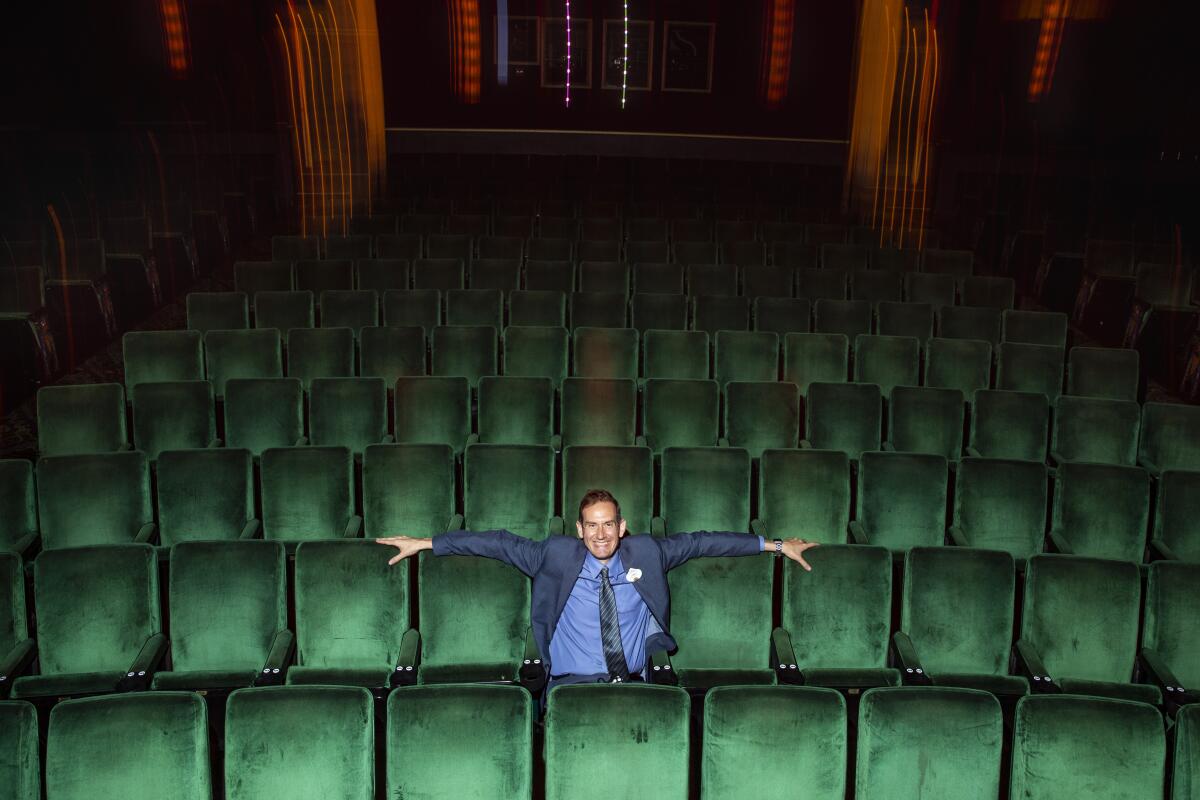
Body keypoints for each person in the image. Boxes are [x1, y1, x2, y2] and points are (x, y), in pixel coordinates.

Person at [376, 488, 818, 692]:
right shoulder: (555, 557)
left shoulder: (647, 553)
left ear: (622, 527)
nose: (601, 535)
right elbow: (497, 543)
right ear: (579, 529)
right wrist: (426, 543)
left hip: (638, 682)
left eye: (609, 524)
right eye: (592, 525)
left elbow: (704, 541)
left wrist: (776, 545)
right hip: (571, 685)